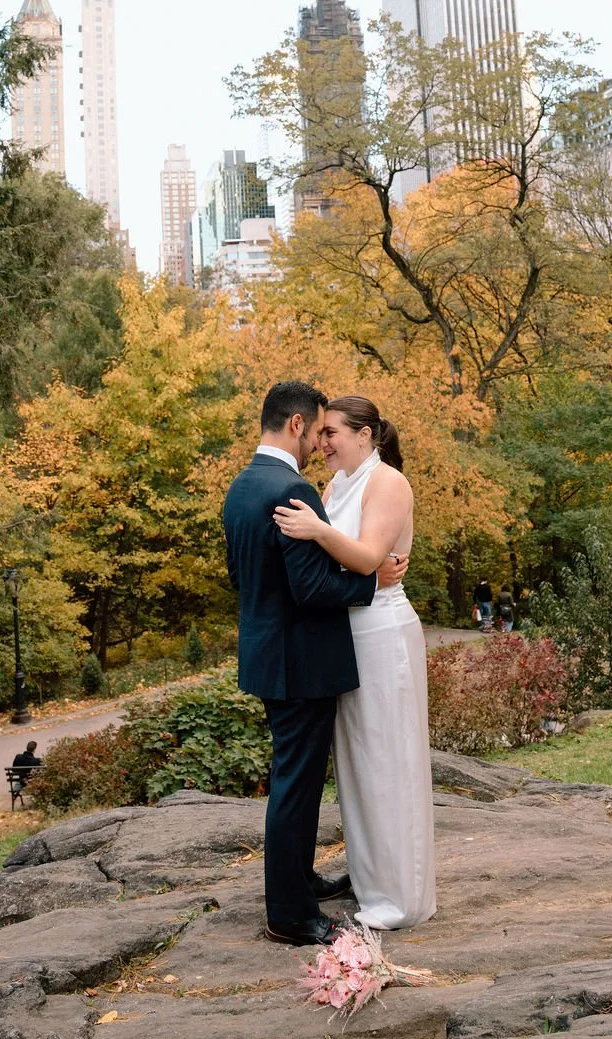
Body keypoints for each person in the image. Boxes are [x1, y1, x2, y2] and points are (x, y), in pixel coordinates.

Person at [223, 381, 408, 949]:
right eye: (318, 430)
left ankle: (300, 879)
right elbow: (308, 587)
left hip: (268, 654)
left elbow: (246, 579)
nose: (319, 445)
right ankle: (291, 914)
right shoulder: (291, 487)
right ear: (298, 425)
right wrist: (367, 580)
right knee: (296, 787)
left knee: (292, 780)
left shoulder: (242, 486)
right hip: (300, 663)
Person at [274, 395, 437, 931]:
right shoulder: (334, 486)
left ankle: (400, 895)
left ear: (365, 434)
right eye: (319, 433)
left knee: (389, 759)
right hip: (345, 637)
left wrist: (318, 532)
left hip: (383, 634)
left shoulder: (387, 481)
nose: (321, 443)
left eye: (331, 432)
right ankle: (371, 884)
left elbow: (367, 557)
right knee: (358, 765)